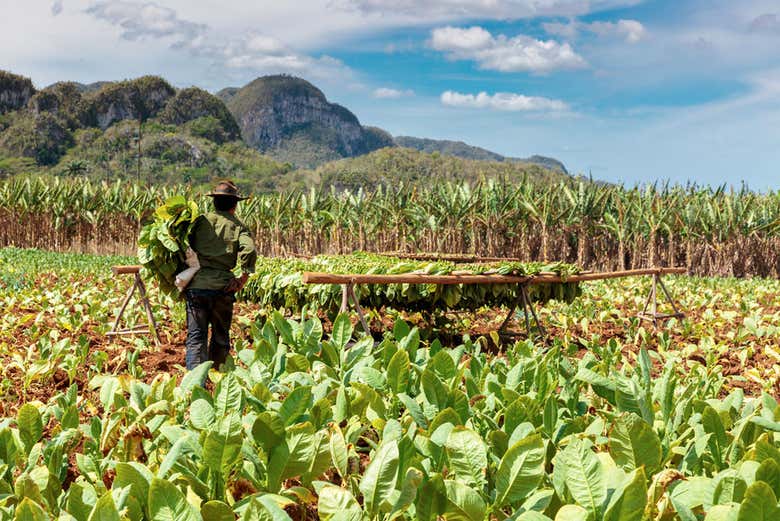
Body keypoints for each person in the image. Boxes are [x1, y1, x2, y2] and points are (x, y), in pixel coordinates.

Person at [184, 180, 257, 371]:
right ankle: (217, 380)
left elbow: (184, 246)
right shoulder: (238, 226)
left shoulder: (200, 221)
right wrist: (243, 277)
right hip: (223, 289)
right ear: (234, 204)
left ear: (214, 202)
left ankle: (195, 384)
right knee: (220, 337)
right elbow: (249, 250)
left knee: (196, 337)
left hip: (197, 286)